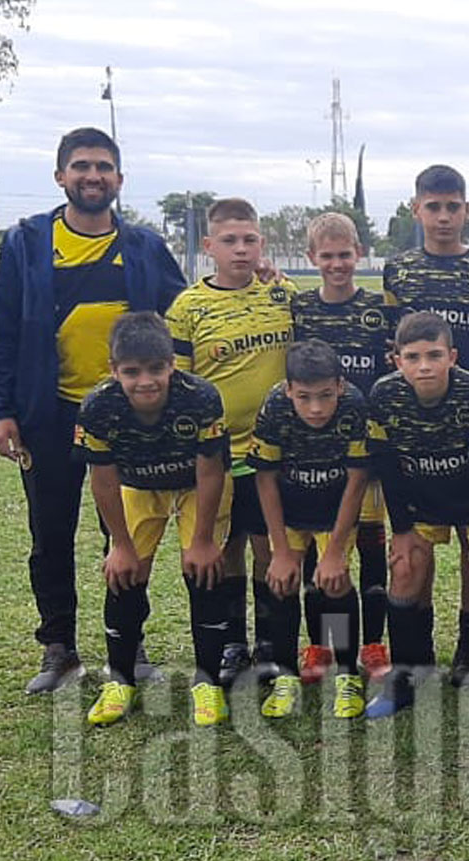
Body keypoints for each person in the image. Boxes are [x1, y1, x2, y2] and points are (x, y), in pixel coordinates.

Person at [0, 126, 186, 694]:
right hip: (48, 414)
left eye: (103, 167)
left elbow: (185, 313)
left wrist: (251, 278)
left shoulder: (143, 246)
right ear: (60, 176)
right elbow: (1, 332)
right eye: (81, 166)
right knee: (51, 534)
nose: (92, 176)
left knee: (126, 535)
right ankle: (59, 649)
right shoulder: (27, 242)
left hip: (128, 418)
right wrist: (0, 411)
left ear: (119, 179)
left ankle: (129, 646)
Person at [383, 165, 469, 688]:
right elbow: (388, 336)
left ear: (466, 210)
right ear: (417, 209)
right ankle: (418, 651)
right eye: (433, 207)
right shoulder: (398, 271)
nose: (442, 217)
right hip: (417, 425)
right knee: (417, 543)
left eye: (452, 207)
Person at [165, 197, 297, 687]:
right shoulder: (187, 308)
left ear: (262, 243)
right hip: (216, 457)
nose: (240, 249)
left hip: (272, 454)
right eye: (229, 240)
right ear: (208, 246)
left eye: (249, 240)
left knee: (269, 548)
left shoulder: (281, 295)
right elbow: (177, 385)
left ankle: (270, 646)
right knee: (225, 549)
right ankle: (232, 643)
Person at [75, 312, 230, 726]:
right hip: (138, 487)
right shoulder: (98, 406)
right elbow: (103, 479)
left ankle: (208, 682)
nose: (145, 381)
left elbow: (211, 470)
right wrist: (121, 545)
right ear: (113, 370)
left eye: (156, 369)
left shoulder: (200, 397)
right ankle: (120, 680)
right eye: (132, 372)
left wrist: (202, 541)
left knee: (204, 571)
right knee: (124, 574)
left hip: (195, 486)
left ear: (172, 365)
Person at [364, 312, 469, 720]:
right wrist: (402, 529)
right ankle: (406, 677)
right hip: (421, 500)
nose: (424, 366)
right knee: (405, 569)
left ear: (452, 357)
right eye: (413, 357)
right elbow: (387, 466)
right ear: (397, 360)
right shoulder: (383, 395)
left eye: (434, 355)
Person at [292, 212, 401, 684]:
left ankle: (372, 644)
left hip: (367, 451)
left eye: (345, 255)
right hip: (314, 452)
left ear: (359, 253)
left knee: (371, 552)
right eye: (327, 256)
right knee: (318, 552)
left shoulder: (379, 310)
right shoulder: (299, 308)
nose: (337, 264)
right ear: (311, 258)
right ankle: (322, 644)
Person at [248, 340, 370, 719]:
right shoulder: (274, 408)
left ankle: (347, 674)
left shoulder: (354, 406)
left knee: (336, 583)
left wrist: (334, 551)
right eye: (304, 397)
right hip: (290, 507)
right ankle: (285, 675)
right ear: (288, 390)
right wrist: (281, 551)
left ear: (340, 386)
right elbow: (265, 479)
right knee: (282, 581)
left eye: (325, 396)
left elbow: (357, 480)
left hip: (335, 508)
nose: (315, 408)